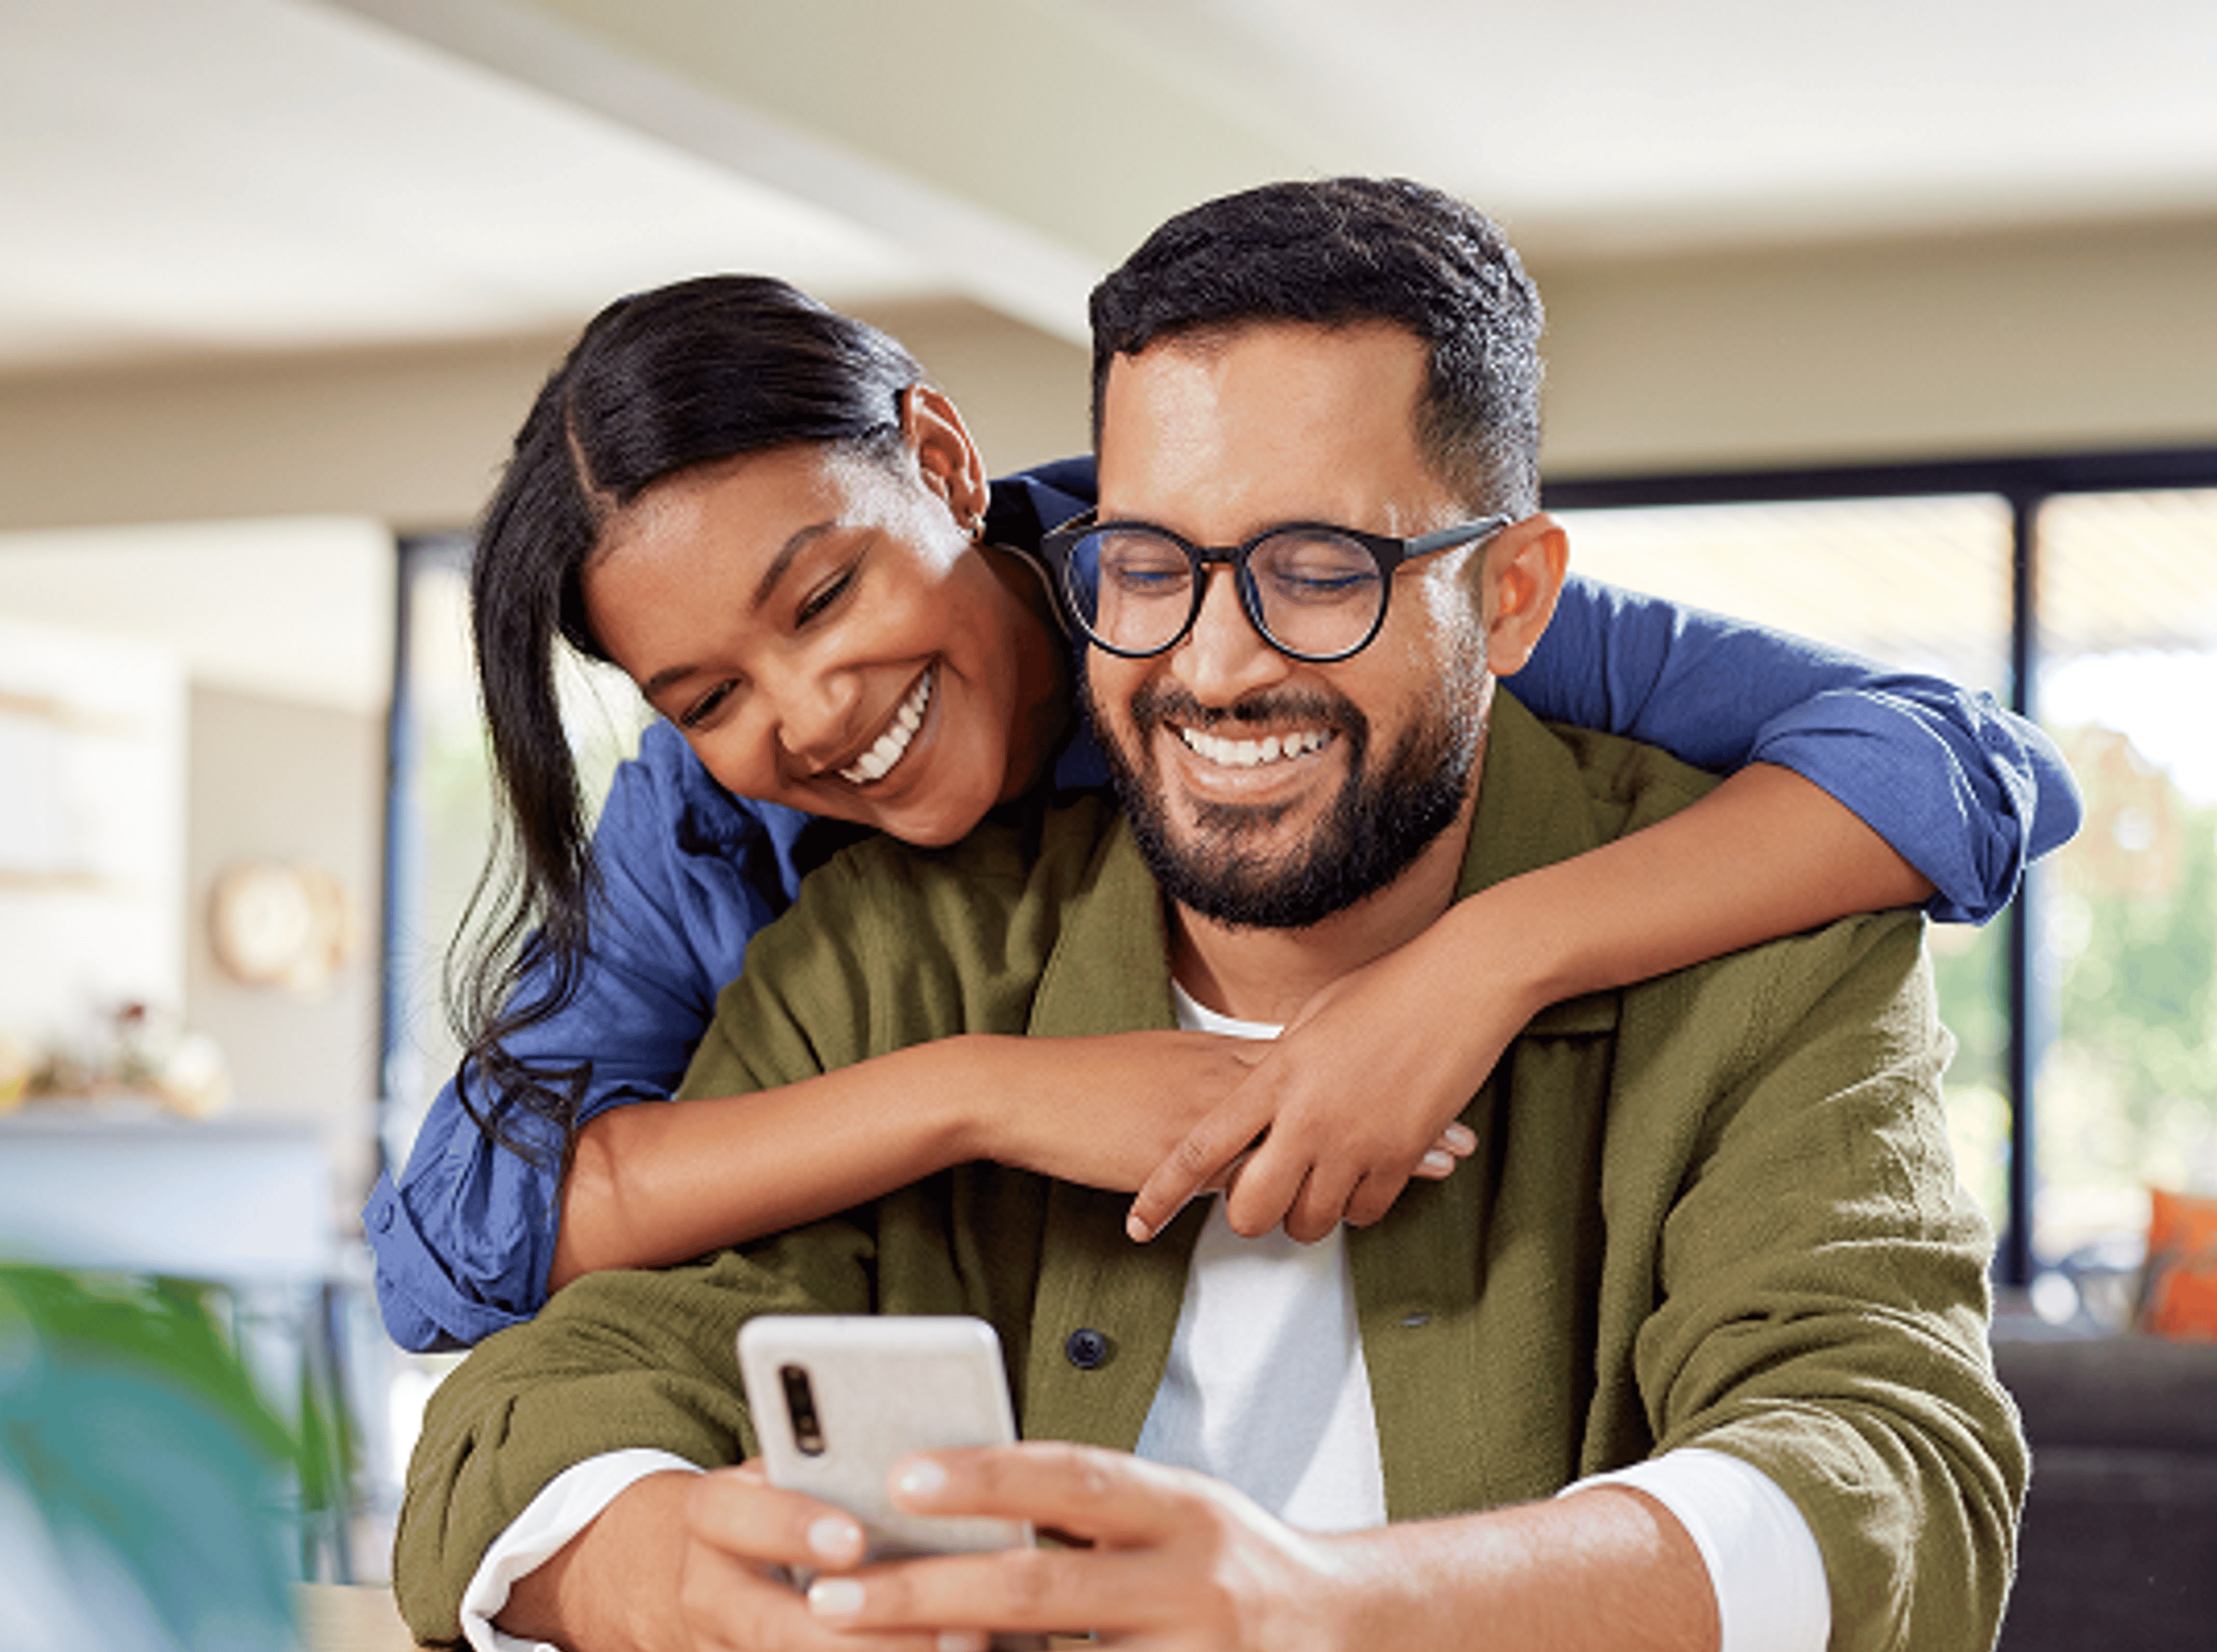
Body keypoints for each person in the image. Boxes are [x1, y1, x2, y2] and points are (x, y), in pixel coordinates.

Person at [394, 176, 2025, 1652]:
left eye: (1319, 571)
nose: (1220, 663)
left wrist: (1339, 1627)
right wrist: (676, 1566)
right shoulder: (868, 935)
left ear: (1509, 596)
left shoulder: (1761, 923)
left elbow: (1894, 1473)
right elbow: (522, 1376)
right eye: (1154, 567)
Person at [365, 268, 2078, 1352]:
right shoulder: (704, 828)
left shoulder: (1316, 599)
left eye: (822, 600)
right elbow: (456, 1241)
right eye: (707, 694)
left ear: (944, 466)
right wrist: (982, 1094)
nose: (806, 718)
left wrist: (1478, 964)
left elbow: (1959, 763)